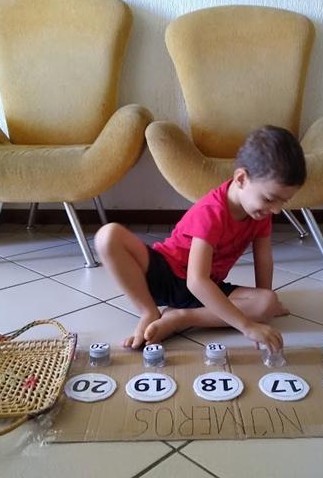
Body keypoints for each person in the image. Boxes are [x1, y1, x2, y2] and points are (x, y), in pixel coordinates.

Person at [95, 125, 307, 352]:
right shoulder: (211, 211)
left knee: (267, 302)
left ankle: (182, 318)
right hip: (167, 275)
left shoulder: (261, 212)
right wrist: (246, 325)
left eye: (283, 202)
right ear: (241, 179)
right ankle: (148, 311)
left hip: (206, 288)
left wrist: (265, 303)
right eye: (269, 199)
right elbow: (195, 280)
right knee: (108, 236)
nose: (276, 210)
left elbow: (263, 259)